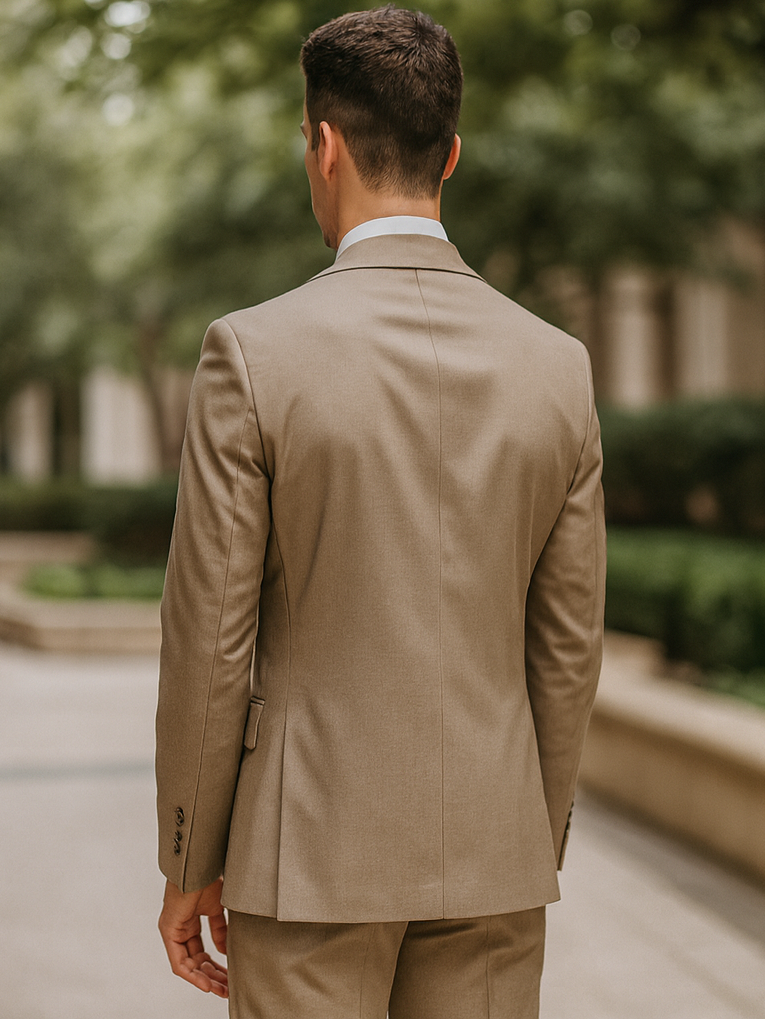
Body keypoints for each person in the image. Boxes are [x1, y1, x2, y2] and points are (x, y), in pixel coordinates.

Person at [155, 6, 605, 1018]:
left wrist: (190, 853)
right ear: (451, 154)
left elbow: (211, 637)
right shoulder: (559, 366)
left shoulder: (252, 353)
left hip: (306, 852)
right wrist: (526, 831)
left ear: (321, 144)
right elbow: (568, 646)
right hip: (495, 848)